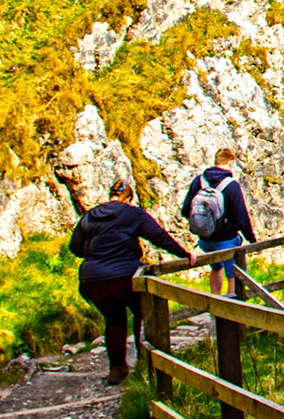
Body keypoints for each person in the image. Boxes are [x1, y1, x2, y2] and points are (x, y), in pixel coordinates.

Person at [70, 177, 190, 384]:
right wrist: (185, 254)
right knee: (141, 313)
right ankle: (145, 363)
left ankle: (117, 369)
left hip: (92, 279)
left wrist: (97, 257)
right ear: (130, 198)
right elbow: (158, 236)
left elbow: (74, 247)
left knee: (114, 320)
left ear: (110, 195)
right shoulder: (133, 213)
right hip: (125, 275)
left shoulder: (90, 216)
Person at [181, 147, 255, 296]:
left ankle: (214, 305)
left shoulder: (199, 181)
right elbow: (241, 216)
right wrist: (251, 238)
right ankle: (230, 310)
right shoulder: (231, 185)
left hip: (205, 240)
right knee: (234, 274)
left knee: (215, 268)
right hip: (226, 239)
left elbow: (185, 210)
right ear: (230, 164)